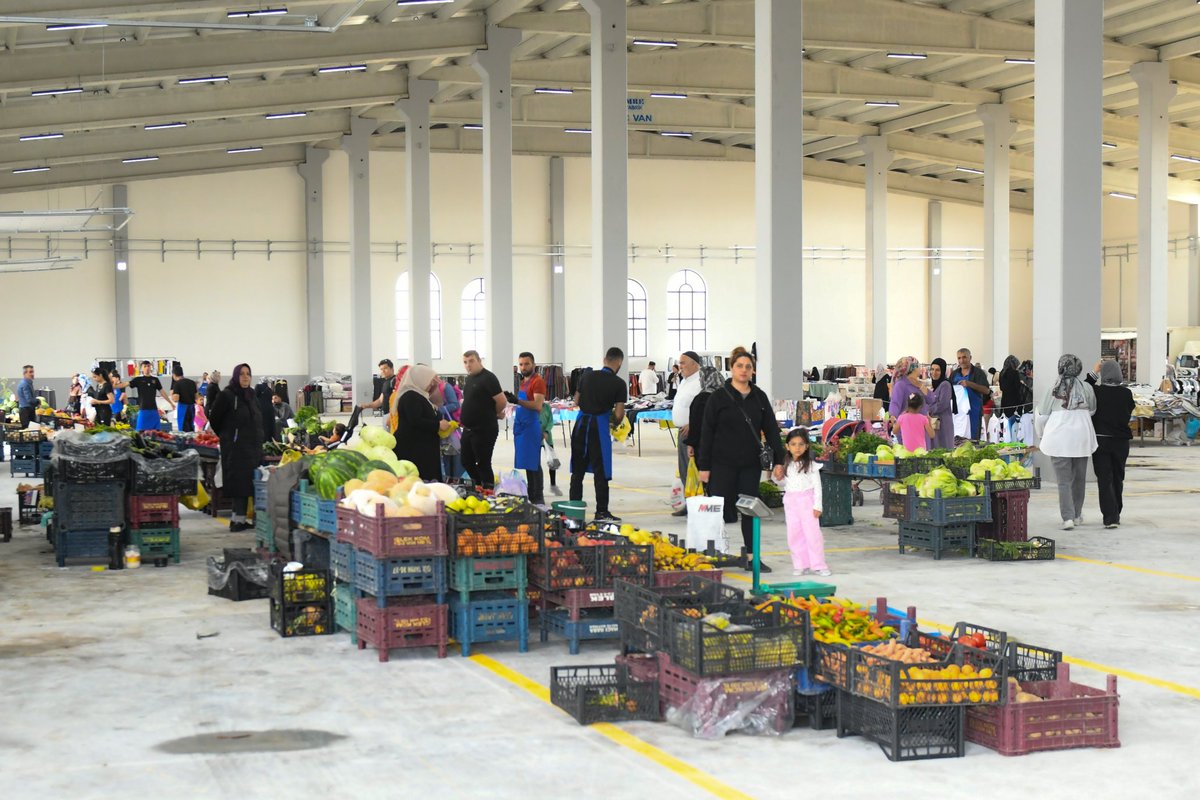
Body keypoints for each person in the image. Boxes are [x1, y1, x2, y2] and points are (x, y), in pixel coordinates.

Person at [697, 347, 786, 572]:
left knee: (749, 510)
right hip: (721, 464)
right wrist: (703, 466)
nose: (744, 370)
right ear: (731, 368)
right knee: (716, 510)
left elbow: (771, 430)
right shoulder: (718, 398)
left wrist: (779, 460)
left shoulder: (759, 397)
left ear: (753, 370)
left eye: (748, 367)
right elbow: (706, 433)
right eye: (739, 366)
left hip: (749, 465)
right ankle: (712, 554)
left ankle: (752, 557)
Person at [1035, 354, 1097, 531]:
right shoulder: (1087, 388)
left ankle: (1067, 518)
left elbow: (1042, 415)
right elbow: (1092, 410)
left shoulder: (1053, 389)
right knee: (1079, 479)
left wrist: (1041, 434)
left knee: (1063, 481)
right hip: (1082, 437)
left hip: (1059, 437)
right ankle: (1077, 515)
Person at [569, 347, 628, 522]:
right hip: (599, 427)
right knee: (600, 470)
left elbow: (576, 401)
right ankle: (601, 511)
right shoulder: (619, 383)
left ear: (604, 360)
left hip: (581, 425)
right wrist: (613, 423)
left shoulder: (586, 376)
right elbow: (619, 414)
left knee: (577, 471)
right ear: (619, 363)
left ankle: (574, 510)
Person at [207, 364, 264, 532]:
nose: (245, 377)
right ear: (235, 376)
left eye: (248, 374)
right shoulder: (227, 395)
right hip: (236, 447)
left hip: (253, 447)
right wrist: (229, 436)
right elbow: (214, 419)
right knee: (239, 484)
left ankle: (239, 519)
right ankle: (238, 521)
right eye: (242, 374)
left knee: (248, 483)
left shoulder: (252, 395)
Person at [1087, 360, 1135, 529]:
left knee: (1104, 478)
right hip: (1121, 441)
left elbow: (1085, 386)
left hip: (1101, 440)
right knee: (1118, 477)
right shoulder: (1126, 393)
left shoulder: (1096, 391)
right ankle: (1117, 511)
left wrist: (1095, 372)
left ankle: (1110, 516)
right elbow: (1130, 410)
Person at [777, 428, 829, 578]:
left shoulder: (811, 465)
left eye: (801, 444)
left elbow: (817, 487)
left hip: (807, 502)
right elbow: (782, 484)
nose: (797, 448)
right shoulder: (785, 464)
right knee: (794, 534)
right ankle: (800, 564)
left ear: (807, 446)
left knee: (813, 534)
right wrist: (777, 477)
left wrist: (817, 505)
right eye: (793, 444)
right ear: (787, 446)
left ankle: (818, 565)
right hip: (790, 502)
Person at [391, 364, 450, 481]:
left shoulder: (419, 395)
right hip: (414, 449)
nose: (431, 384)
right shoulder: (411, 396)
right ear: (420, 379)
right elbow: (415, 420)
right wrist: (438, 425)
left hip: (420, 448)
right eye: (429, 380)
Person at [460, 350, 507, 489]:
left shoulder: (488, 378)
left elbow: (502, 401)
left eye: (471, 361)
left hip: (484, 429)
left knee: (483, 463)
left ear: (479, 361)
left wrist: (494, 413)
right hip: (468, 429)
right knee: (466, 461)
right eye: (465, 362)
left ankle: (488, 490)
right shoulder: (469, 379)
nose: (468, 365)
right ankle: (479, 485)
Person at [507, 353, 548, 504]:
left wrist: (517, 401)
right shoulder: (524, 382)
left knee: (533, 464)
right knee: (528, 464)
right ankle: (532, 495)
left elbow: (537, 405)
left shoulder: (538, 381)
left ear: (533, 365)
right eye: (521, 364)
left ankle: (538, 497)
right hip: (522, 427)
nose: (523, 367)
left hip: (531, 427)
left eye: (526, 364)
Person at [670, 350, 703, 516]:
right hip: (681, 432)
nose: (680, 366)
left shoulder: (700, 382)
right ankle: (688, 503)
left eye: (683, 363)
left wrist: (693, 424)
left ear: (694, 364)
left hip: (693, 432)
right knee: (684, 469)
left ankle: (698, 504)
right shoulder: (684, 381)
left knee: (695, 469)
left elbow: (705, 407)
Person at [685, 366, 725, 471]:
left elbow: (696, 424)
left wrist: (691, 443)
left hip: (705, 447)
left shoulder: (701, 398)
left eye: (701, 377)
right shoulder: (726, 397)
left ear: (704, 379)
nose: (699, 380)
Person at [951, 348, 992, 441]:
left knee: (973, 440)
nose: (962, 360)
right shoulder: (954, 374)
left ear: (970, 358)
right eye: (959, 358)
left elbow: (986, 390)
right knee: (957, 439)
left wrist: (969, 384)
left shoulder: (978, 373)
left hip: (974, 412)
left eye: (964, 357)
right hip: (958, 414)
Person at [127, 360, 175, 432]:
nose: (147, 368)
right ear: (142, 368)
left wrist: (171, 403)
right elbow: (126, 384)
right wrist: (115, 386)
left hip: (153, 410)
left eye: (148, 366)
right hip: (143, 409)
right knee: (140, 431)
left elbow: (162, 392)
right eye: (145, 366)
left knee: (156, 431)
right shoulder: (138, 380)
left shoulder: (155, 380)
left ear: (151, 367)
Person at [887, 357, 923, 443]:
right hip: (906, 427)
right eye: (918, 366)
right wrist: (893, 415)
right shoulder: (901, 385)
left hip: (917, 425)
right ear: (912, 369)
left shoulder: (916, 384)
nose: (920, 369)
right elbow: (895, 402)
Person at [924, 357, 956, 450]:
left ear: (943, 371)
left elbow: (943, 404)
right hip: (935, 423)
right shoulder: (935, 385)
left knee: (943, 449)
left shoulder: (945, 384)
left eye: (937, 370)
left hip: (943, 423)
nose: (934, 372)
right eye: (932, 369)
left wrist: (928, 410)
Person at [998, 355, 1026, 442]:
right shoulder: (1015, 373)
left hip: (1005, 400)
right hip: (1015, 401)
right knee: (1015, 424)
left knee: (1005, 422)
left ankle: (1005, 439)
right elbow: (1018, 388)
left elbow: (1001, 387)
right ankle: (1014, 440)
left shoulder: (1002, 373)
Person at [538, 394, 561, 497]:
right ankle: (538, 487)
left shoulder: (547, 407)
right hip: (536, 438)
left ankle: (553, 485)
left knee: (553, 462)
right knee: (535, 463)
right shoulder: (533, 407)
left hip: (548, 438)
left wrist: (547, 431)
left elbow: (551, 421)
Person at [169, 365, 199, 432]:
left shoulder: (177, 384)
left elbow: (176, 399)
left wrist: (172, 394)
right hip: (192, 408)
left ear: (174, 375)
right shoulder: (192, 382)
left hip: (183, 408)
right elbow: (196, 397)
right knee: (191, 428)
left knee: (183, 430)